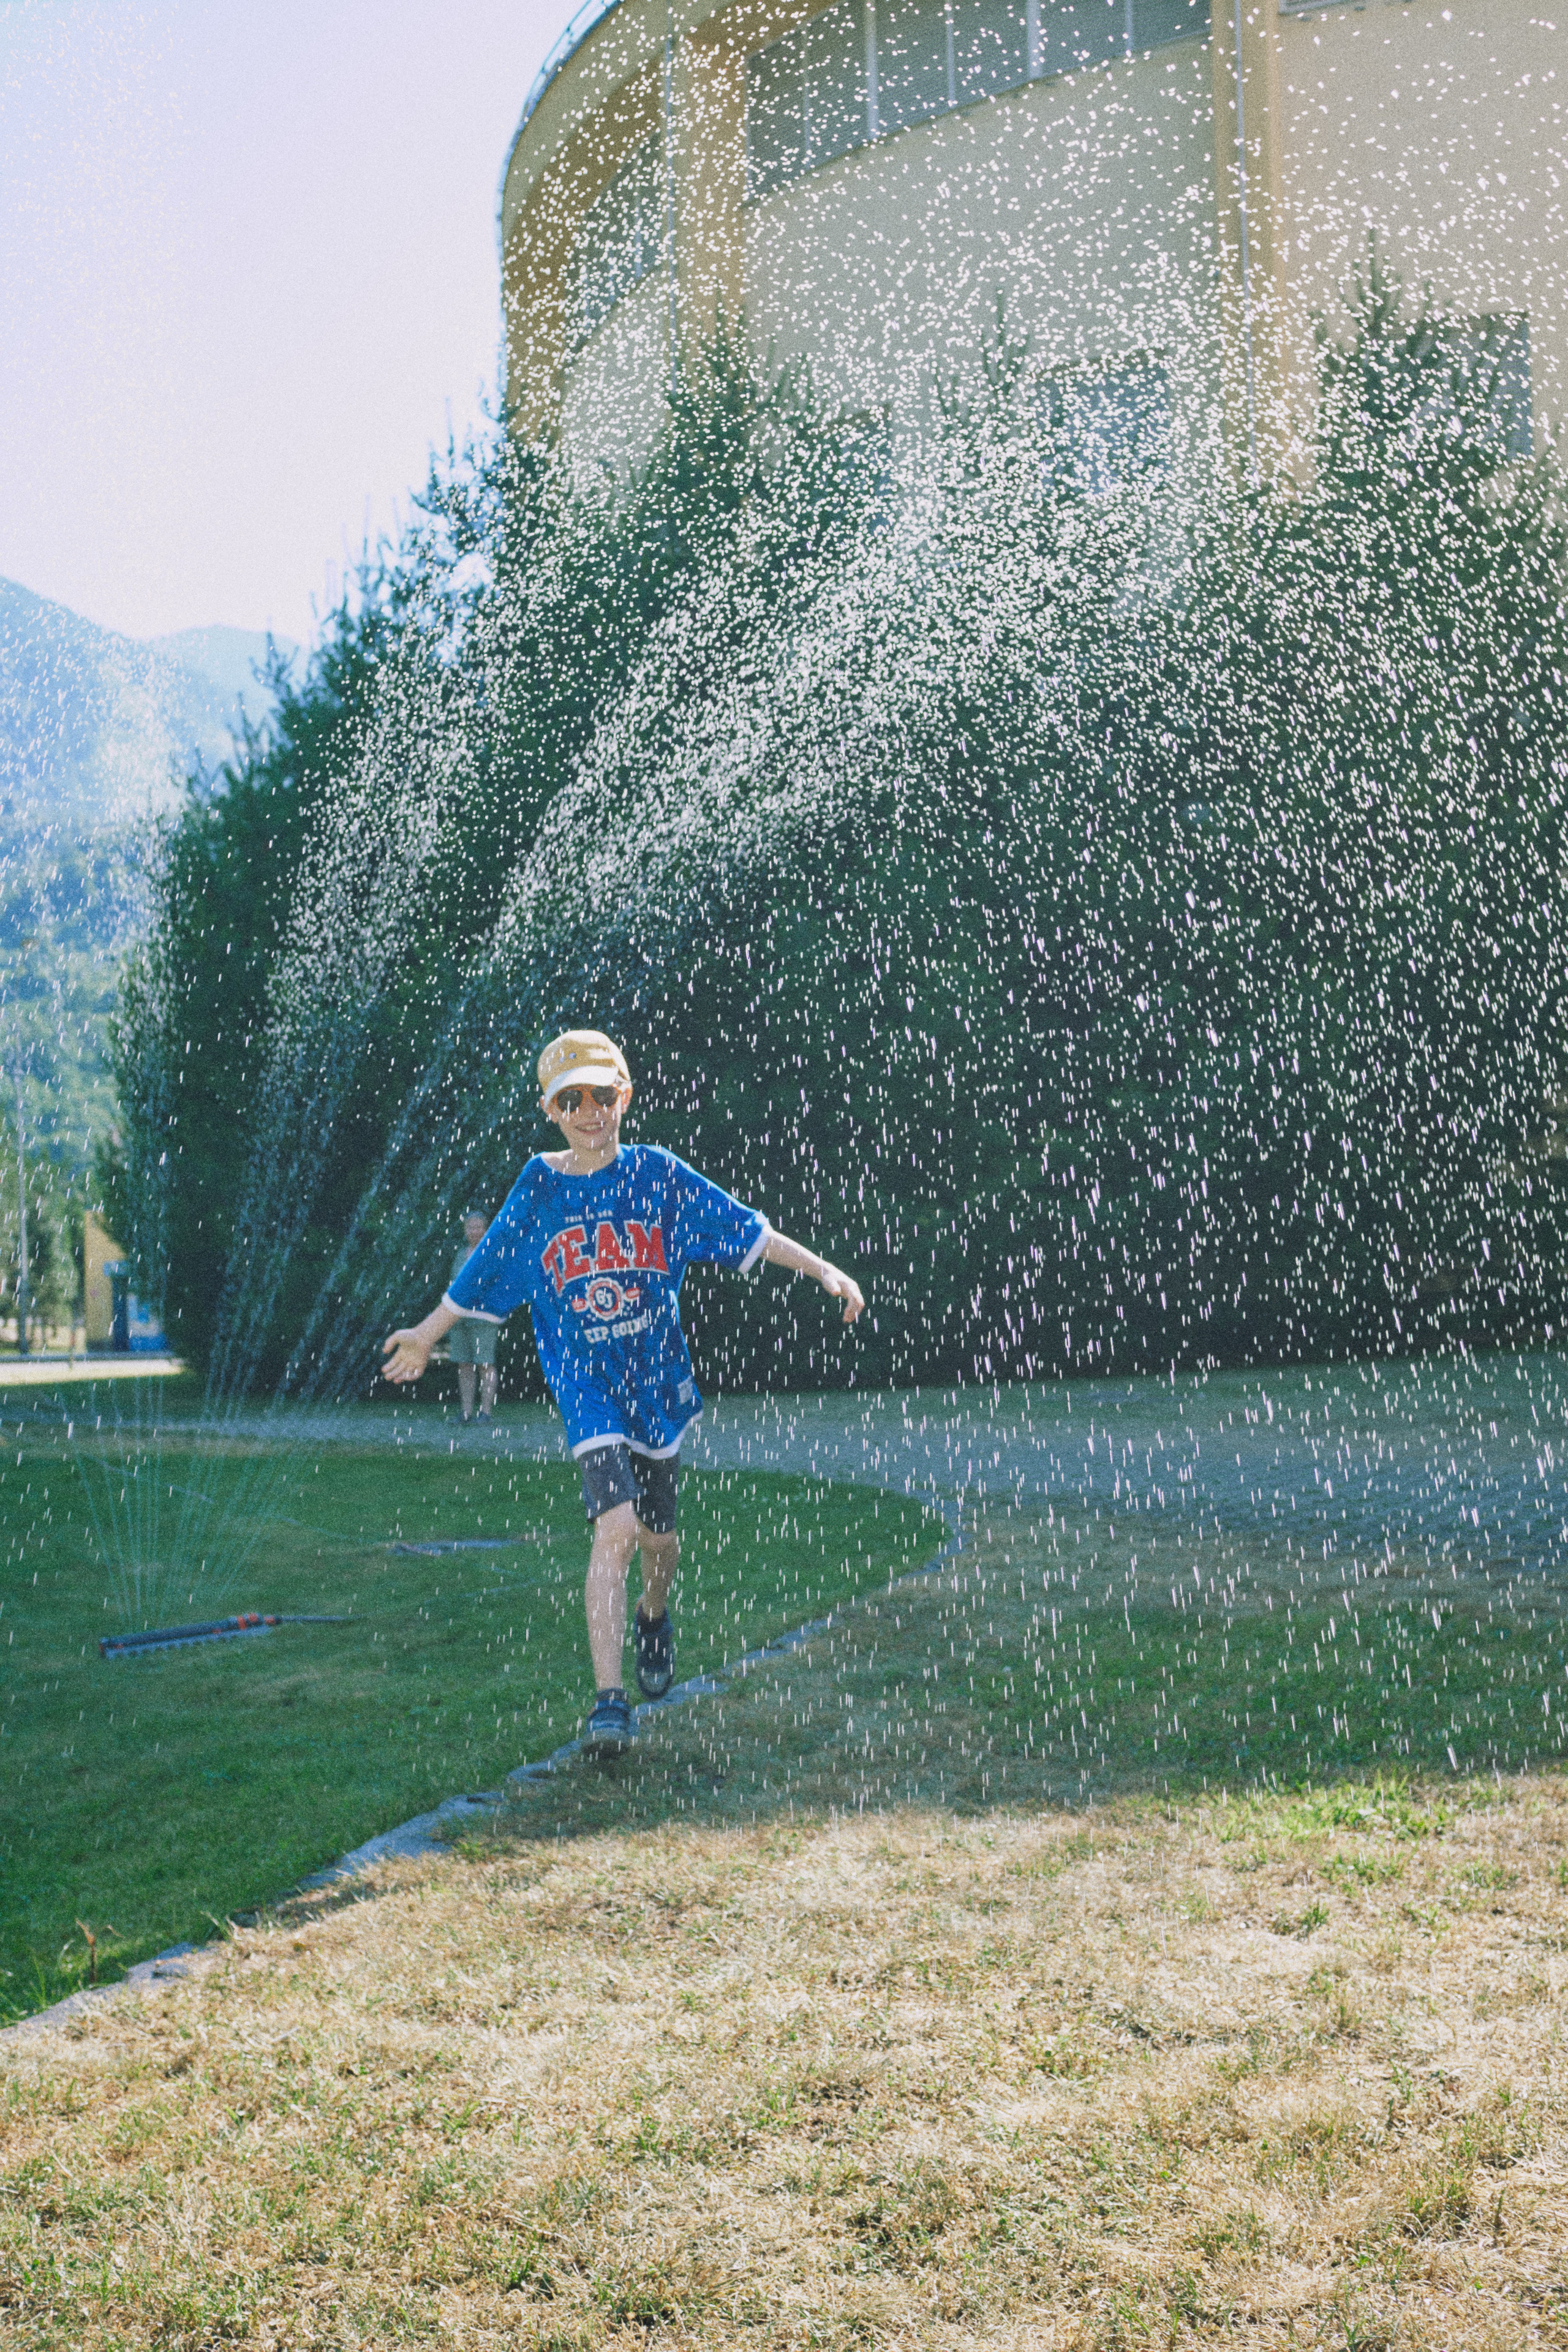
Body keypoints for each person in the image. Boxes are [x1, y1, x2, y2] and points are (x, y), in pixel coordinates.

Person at [382, 1028, 865, 1758]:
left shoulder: (657, 1175)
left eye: (601, 1096)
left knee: (658, 1543)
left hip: (656, 1382)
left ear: (624, 1097)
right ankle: (609, 1702)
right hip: (586, 1388)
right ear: (550, 1109)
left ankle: (653, 1612)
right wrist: (424, 1334)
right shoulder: (539, 1186)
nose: (588, 1111)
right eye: (570, 1099)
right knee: (614, 1529)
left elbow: (748, 1231)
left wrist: (824, 1269)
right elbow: (485, 1266)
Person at [448, 1210, 499, 1423]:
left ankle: (485, 1413)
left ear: (486, 1229)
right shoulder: (461, 1254)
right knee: (464, 1364)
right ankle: (466, 1412)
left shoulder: (491, 1253)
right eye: (470, 1227)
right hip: (459, 1318)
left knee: (485, 1364)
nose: (474, 1231)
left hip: (484, 1318)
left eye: (478, 1227)